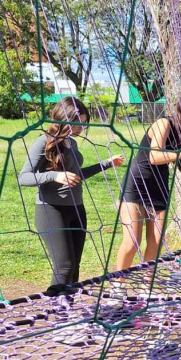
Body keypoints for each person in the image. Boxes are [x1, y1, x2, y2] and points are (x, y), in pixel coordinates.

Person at [19, 97, 124, 289]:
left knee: (74, 268)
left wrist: (107, 164)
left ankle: (68, 312)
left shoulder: (71, 144)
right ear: (62, 118)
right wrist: (54, 176)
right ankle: (57, 314)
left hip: (77, 210)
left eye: (83, 124)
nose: (80, 128)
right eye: (76, 124)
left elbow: (76, 175)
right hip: (51, 211)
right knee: (64, 266)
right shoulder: (43, 142)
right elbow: (23, 177)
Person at [116, 94, 181, 270]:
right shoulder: (164, 124)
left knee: (157, 240)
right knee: (133, 241)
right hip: (138, 183)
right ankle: (118, 285)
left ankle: (146, 285)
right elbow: (154, 156)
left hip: (159, 184)